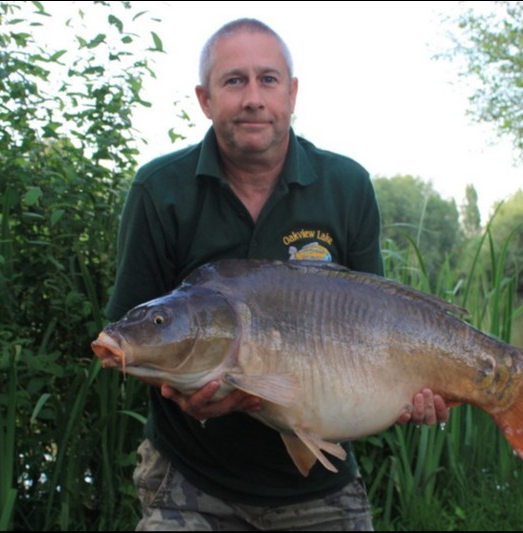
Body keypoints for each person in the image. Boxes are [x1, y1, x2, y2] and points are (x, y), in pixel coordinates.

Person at [106, 18, 449, 531]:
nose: (253, 98)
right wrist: (182, 395)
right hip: (191, 476)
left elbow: (379, 322)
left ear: (292, 93)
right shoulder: (160, 190)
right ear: (204, 99)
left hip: (319, 482)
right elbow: (130, 338)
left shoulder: (346, 185)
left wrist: (415, 392)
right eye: (234, 81)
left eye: (268, 79)